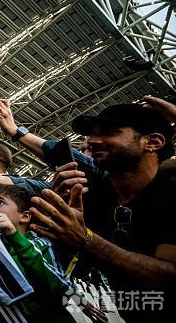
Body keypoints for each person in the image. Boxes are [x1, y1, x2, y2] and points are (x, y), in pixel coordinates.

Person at [29, 103, 175, 322]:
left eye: (110, 132)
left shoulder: (171, 192)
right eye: (92, 134)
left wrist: (85, 238)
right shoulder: (92, 196)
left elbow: (168, 280)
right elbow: (75, 268)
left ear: (153, 142)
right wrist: (60, 219)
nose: (92, 141)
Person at [0, 184, 74, 322]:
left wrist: (14, 236)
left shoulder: (41, 247)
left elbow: (60, 291)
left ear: (25, 216)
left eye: (0, 202)